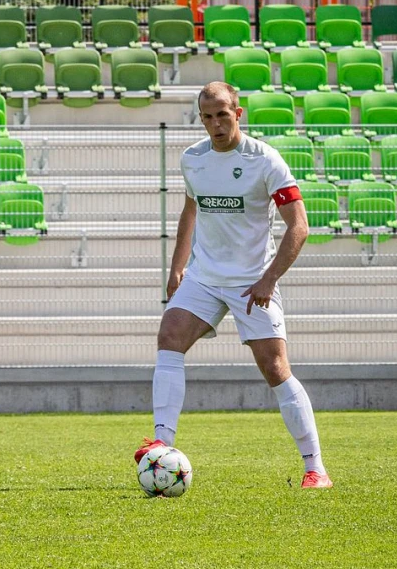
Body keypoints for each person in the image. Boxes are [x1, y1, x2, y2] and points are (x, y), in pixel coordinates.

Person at [136, 82, 332, 489]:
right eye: (207, 117)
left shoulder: (265, 160)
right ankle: (162, 446)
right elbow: (191, 210)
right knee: (169, 336)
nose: (216, 124)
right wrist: (177, 268)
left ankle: (316, 468)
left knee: (275, 368)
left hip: (251, 281)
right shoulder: (193, 159)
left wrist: (269, 278)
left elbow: (299, 226)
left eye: (222, 115)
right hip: (205, 277)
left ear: (237, 113)